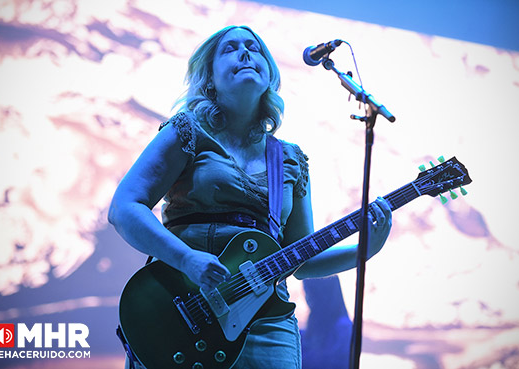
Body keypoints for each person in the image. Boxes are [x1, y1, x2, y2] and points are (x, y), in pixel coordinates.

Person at [108, 25, 392, 369]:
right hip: (181, 309)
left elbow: (299, 259)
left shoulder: (289, 159)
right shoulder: (186, 131)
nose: (245, 53)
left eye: (254, 48)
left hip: (266, 325)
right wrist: (186, 259)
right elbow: (124, 207)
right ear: (209, 78)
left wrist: (366, 251)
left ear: (269, 75)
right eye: (230, 49)